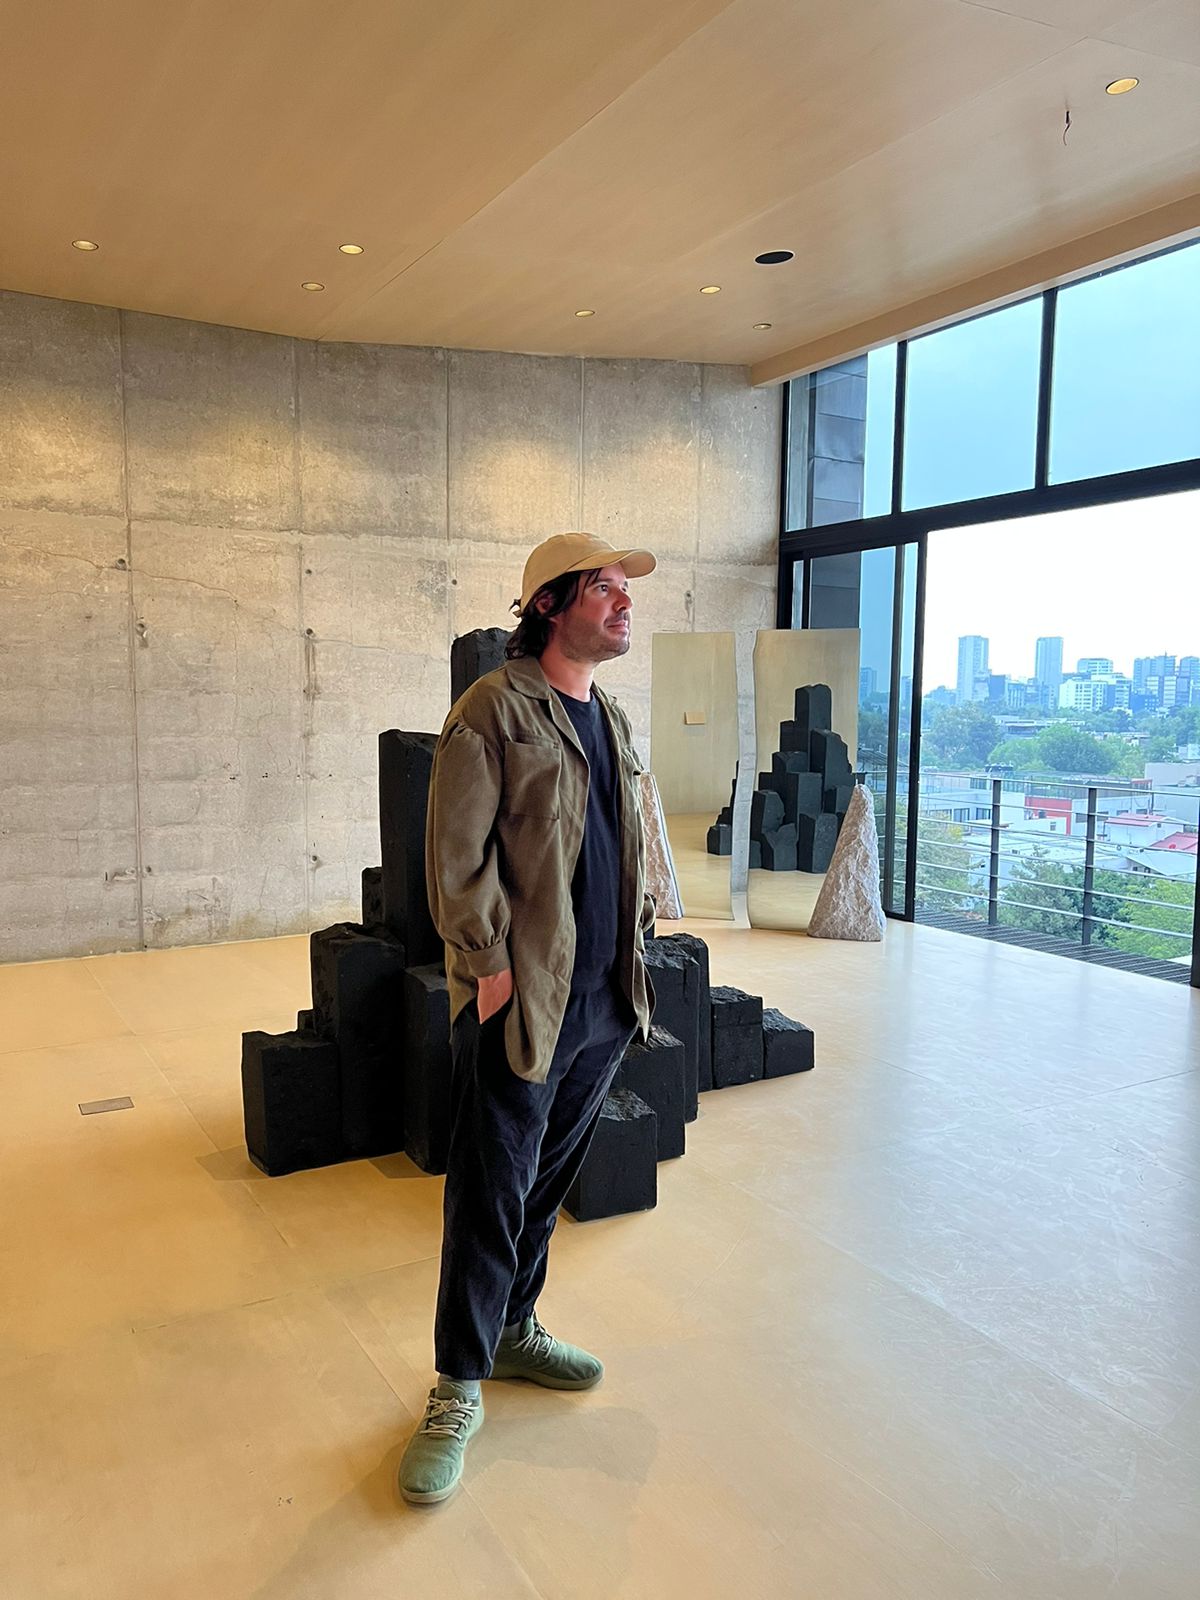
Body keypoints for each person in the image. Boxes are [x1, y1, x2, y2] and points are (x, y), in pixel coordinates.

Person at [397, 533, 658, 1505]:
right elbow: (455, 856)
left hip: (604, 999)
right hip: (526, 998)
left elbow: (619, 842)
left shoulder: (611, 716)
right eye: (606, 589)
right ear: (549, 604)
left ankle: (514, 1328)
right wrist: (487, 969)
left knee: (543, 1182)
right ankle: (457, 1385)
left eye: (626, 590)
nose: (625, 604)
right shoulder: (492, 710)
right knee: (489, 1190)